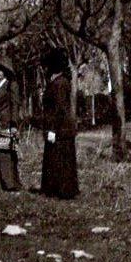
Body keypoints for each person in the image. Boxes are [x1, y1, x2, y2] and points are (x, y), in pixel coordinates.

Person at [40, 48, 79, 199]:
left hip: (60, 128)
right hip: (61, 128)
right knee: (59, 159)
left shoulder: (59, 83)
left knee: (60, 160)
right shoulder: (58, 81)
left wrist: (53, 129)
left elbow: (59, 109)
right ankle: (56, 190)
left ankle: (63, 191)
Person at [0, 67, 22, 191]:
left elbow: (15, 104)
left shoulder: (10, 85)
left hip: (6, 124)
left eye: (0, 70)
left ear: (5, 72)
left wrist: (13, 124)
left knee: (5, 153)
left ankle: (10, 183)